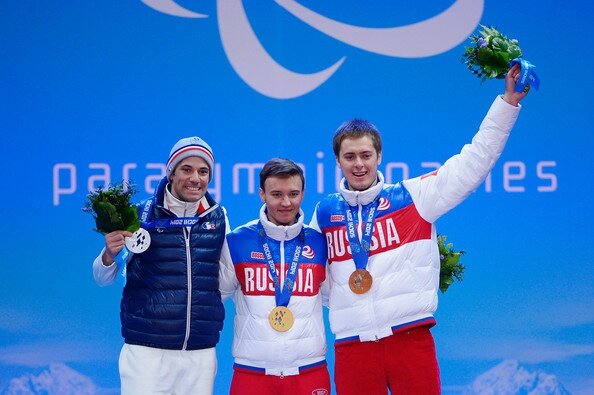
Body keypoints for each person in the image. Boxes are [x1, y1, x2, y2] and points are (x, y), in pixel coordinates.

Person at [309, 64, 530, 394]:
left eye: (366, 155)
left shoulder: (413, 197)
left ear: (379, 156)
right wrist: (348, 305)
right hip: (353, 348)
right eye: (350, 156)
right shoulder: (325, 213)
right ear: (337, 161)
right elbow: (312, 278)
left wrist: (507, 103)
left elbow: (473, 163)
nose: (359, 164)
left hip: (410, 340)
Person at [92, 136, 229, 395]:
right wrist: (108, 254)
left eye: (203, 171)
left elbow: (227, 278)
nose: (195, 178)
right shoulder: (139, 215)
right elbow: (102, 276)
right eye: (186, 169)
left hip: (199, 352)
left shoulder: (218, 218)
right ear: (170, 172)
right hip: (147, 353)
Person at [219, 158, 331, 395]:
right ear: (262, 194)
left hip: (309, 372)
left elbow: (336, 297)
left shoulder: (320, 243)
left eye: (293, 193)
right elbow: (215, 295)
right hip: (252, 373)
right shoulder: (237, 242)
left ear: (303, 193)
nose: (286, 202)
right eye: (277, 194)